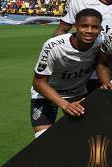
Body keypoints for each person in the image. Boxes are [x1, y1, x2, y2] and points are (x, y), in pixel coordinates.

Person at [31, 9, 103, 138]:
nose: (89, 31)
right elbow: (38, 83)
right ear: (75, 27)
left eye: (95, 27)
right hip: (47, 94)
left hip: (77, 94)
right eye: (84, 26)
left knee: (86, 137)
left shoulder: (100, 44)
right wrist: (65, 105)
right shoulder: (53, 46)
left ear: (100, 29)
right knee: (43, 140)